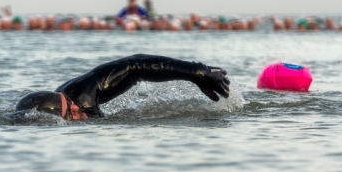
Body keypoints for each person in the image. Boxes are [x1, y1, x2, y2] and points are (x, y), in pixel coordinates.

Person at [15, 54, 230, 120]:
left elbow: (135, 65)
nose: (77, 119)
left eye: (71, 116)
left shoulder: (86, 90)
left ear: (71, 107)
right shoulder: (70, 104)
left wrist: (198, 73)